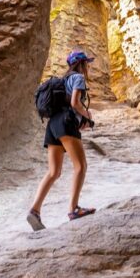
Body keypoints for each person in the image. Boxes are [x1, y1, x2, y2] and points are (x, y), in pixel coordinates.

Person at [27, 50, 97, 230]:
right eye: (86, 63)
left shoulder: (64, 79)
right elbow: (75, 103)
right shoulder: (78, 78)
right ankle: (74, 209)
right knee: (81, 166)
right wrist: (88, 116)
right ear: (81, 64)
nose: (88, 66)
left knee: (54, 171)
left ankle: (34, 210)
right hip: (66, 123)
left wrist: (81, 119)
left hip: (53, 125)